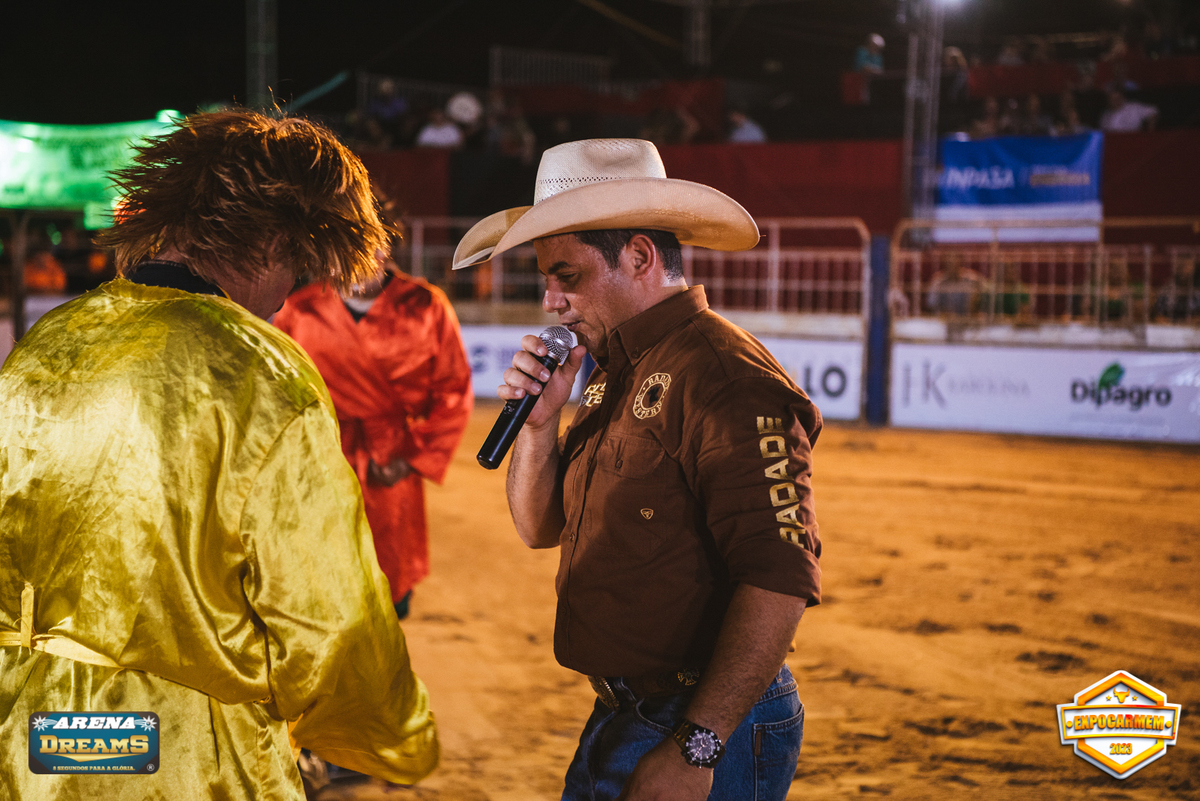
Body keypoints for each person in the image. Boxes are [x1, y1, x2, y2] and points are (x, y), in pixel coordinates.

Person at [0, 110, 438, 800]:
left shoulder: (47, 343)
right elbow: (327, 621)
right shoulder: (262, 370)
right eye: (295, 266)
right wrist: (396, 738)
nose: (286, 296)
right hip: (191, 755)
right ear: (273, 241)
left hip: (34, 742)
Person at [452, 138, 822, 801]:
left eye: (567, 275)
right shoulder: (614, 372)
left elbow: (778, 577)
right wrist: (537, 426)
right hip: (630, 712)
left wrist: (696, 746)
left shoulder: (725, 377)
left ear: (641, 257)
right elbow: (540, 527)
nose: (552, 301)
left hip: (701, 722)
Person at [274, 230, 473, 623]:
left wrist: (412, 457)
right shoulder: (300, 308)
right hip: (320, 460)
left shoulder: (425, 305)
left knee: (386, 589)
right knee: (320, 585)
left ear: (383, 250)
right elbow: (278, 389)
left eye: (364, 253)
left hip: (390, 461)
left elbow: (453, 389)